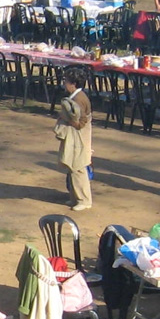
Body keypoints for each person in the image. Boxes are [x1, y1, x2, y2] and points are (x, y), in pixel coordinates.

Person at [55, 67, 92, 211]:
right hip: (75, 136)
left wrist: (67, 118)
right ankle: (75, 197)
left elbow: (80, 123)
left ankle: (84, 200)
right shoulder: (77, 96)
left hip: (79, 137)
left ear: (73, 83)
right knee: (72, 166)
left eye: (66, 81)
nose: (64, 84)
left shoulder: (79, 99)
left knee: (78, 167)